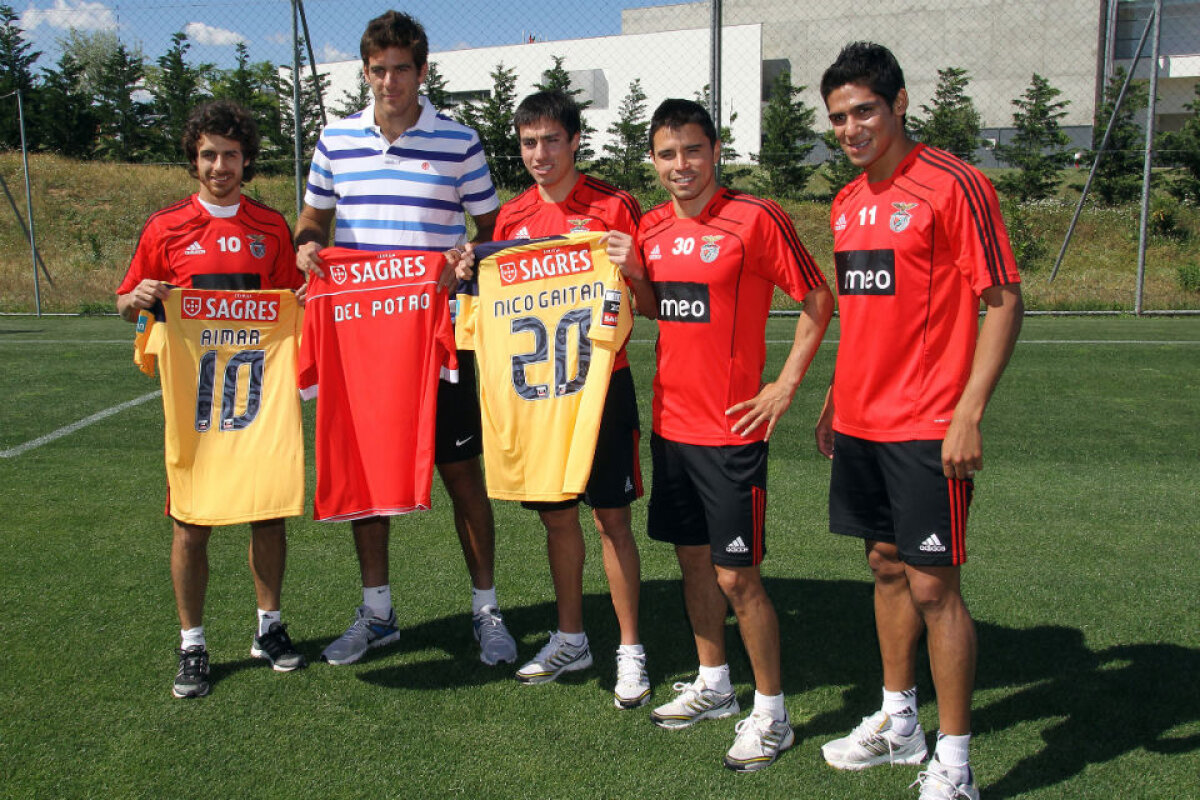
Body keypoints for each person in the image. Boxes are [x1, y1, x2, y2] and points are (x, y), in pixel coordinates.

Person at [815, 42, 1024, 800]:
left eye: (864, 110)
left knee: (936, 589)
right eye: (838, 116)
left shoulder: (954, 185)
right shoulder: (844, 202)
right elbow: (865, 314)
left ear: (900, 104)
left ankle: (957, 763)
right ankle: (900, 722)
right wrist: (839, 398)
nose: (851, 127)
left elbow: (1001, 298)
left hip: (928, 425)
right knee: (883, 567)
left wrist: (969, 411)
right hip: (864, 424)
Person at [606, 99, 832, 771]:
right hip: (672, 426)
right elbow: (653, 310)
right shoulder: (648, 226)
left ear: (716, 151)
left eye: (693, 151)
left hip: (731, 432)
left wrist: (785, 385)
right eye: (668, 154)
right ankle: (714, 682)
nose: (682, 165)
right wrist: (636, 274)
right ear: (653, 160)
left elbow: (818, 299)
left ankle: (773, 715)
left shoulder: (755, 219)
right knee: (694, 562)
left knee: (739, 577)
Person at [293, 10, 516, 667]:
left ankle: (487, 609)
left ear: (421, 72)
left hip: (436, 335)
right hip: (363, 341)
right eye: (378, 69)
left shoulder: (459, 140)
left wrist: (464, 259)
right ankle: (379, 612)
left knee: (460, 473)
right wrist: (309, 248)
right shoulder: (336, 141)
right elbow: (312, 218)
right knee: (367, 478)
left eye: (401, 69)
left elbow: (491, 223)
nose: (389, 80)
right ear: (365, 72)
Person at [450, 90, 657, 707]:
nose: (539, 153)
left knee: (611, 518)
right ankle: (572, 637)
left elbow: (647, 306)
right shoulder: (510, 220)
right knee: (557, 517)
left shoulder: (614, 206)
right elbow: (486, 303)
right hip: (538, 393)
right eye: (528, 142)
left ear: (574, 142)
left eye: (551, 140)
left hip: (598, 386)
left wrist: (638, 269)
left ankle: (630, 649)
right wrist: (468, 270)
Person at [116, 100, 307, 698]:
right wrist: (139, 295)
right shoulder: (165, 227)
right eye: (208, 155)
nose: (219, 165)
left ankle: (269, 628)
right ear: (193, 160)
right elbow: (126, 302)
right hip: (197, 406)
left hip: (259, 400)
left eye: (230, 154)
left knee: (267, 512)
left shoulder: (271, 227)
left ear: (247, 159)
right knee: (191, 522)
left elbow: (294, 304)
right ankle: (192, 643)